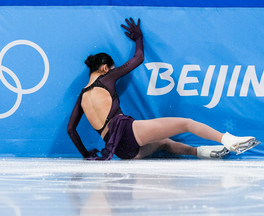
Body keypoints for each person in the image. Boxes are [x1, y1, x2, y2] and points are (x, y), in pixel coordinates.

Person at [66, 18, 260, 160]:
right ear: (105, 68)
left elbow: (71, 129)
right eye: (112, 68)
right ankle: (229, 140)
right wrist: (139, 39)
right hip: (128, 133)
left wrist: (86, 154)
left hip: (120, 150)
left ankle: (203, 152)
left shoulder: (82, 97)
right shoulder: (106, 79)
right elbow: (138, 58)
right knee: (186, 123)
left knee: (165, 143)